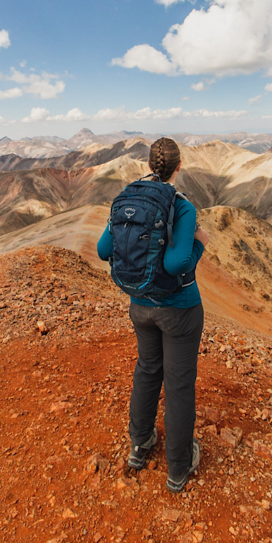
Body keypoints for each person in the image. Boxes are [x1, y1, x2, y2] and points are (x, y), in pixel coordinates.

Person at [97, 137, 209, 493]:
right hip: (179, 309)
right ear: (179, 167)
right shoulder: (183, 206)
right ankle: (178, 466)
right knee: (177, 384)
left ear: (149, 164)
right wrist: (200, 243)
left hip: (140, 304)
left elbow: (103, 249)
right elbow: (177, 263)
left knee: (147, 370)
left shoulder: (128, 199)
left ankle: (140, 444)